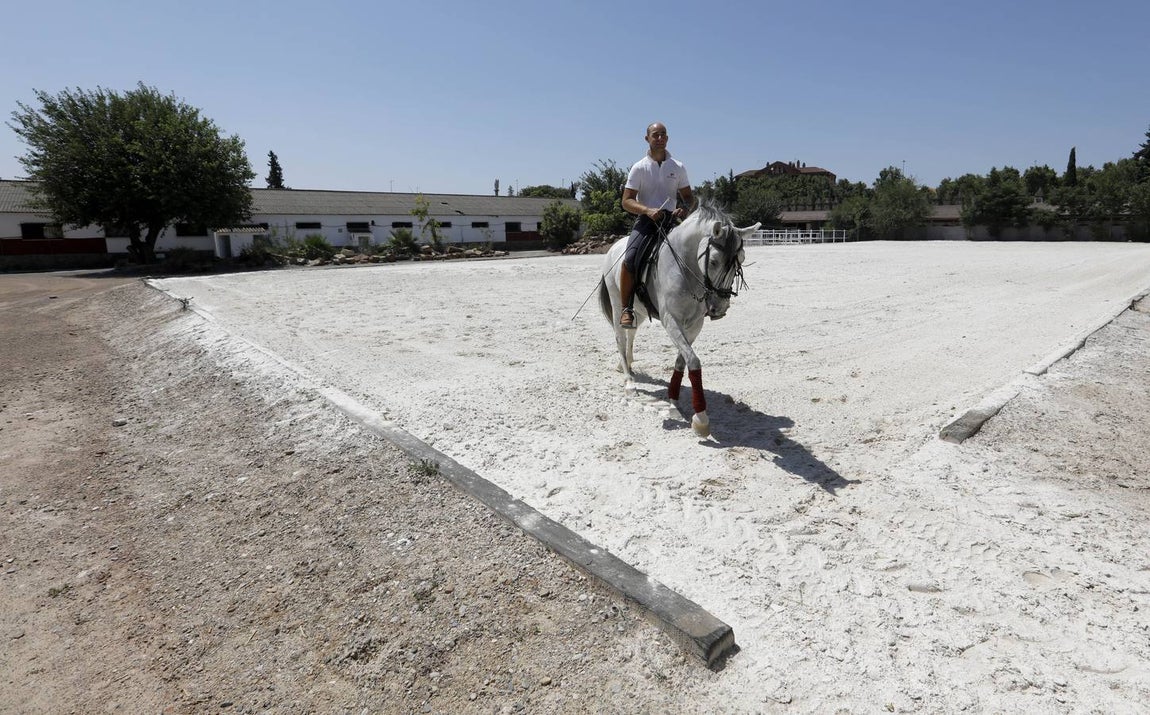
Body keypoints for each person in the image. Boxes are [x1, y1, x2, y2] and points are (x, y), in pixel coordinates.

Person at [618, 121, 694, 328]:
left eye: (663, 135)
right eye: (655, 135)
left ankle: (704, 302)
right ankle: (627, 308)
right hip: (647, 221)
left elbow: (688, 197)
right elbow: (626, 201)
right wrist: (647, 210)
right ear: (647, 139)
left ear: (667, 138)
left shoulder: (678, 167)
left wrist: (684, 209)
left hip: (672, 220)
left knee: (697, 254)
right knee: (631, 258)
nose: (659, 138)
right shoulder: (639, 168)